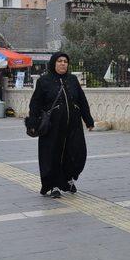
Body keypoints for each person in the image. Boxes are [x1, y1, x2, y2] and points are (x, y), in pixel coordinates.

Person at [26, 52, 94, 198]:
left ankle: (68, 178)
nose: (63, 63)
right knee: (52, 155)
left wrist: (88, 120)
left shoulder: (72, 79)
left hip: (73, 125)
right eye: (59, 61)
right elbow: (35, 103)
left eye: (65, 61)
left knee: (76, 153)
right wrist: (32, 123)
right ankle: (53, 185)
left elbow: (82, 101)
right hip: (52, 127)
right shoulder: (44, 81)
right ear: (53, 63)